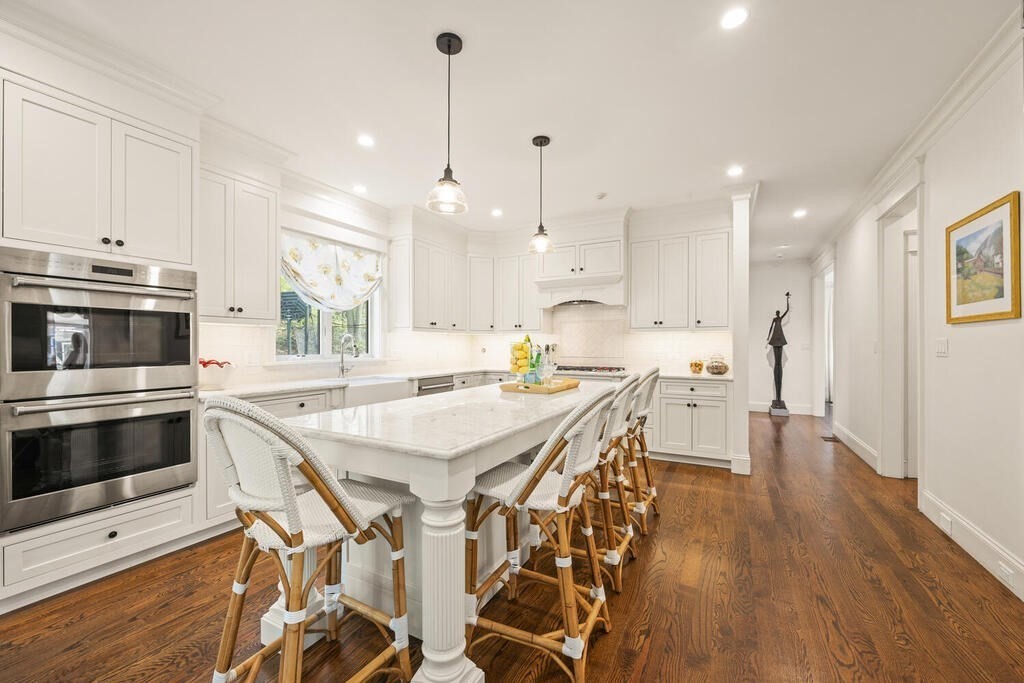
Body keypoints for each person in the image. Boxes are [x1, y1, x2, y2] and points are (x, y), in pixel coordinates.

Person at [767, 292, 791, 412]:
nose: (777, 314)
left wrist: (787, 299)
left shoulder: (780, 318)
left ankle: (779, 398)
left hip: (780, 339)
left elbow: (787, 310)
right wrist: (768, 337)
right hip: (774, 339)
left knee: (779, 364)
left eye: (778, 313)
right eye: (777, 313)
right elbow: (771, 328)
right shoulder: (774, 319)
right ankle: (777, 398)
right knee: (776, 364)